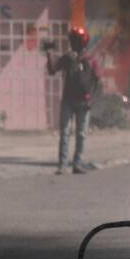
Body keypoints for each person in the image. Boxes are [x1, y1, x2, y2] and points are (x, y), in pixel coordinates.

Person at [46, 27, 101, 175]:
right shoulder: (68, 58)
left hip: (84, 101)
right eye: (72, 40)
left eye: (75, 40)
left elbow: (96, 81)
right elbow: (52, 70)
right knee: (65, 132)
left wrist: (92, 100)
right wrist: (49, 54)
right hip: (68, 100)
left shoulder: (91, 60)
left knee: (81, 133)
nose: (73, 43)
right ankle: (63, 165)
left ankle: (78, 163)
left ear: (82, 42)